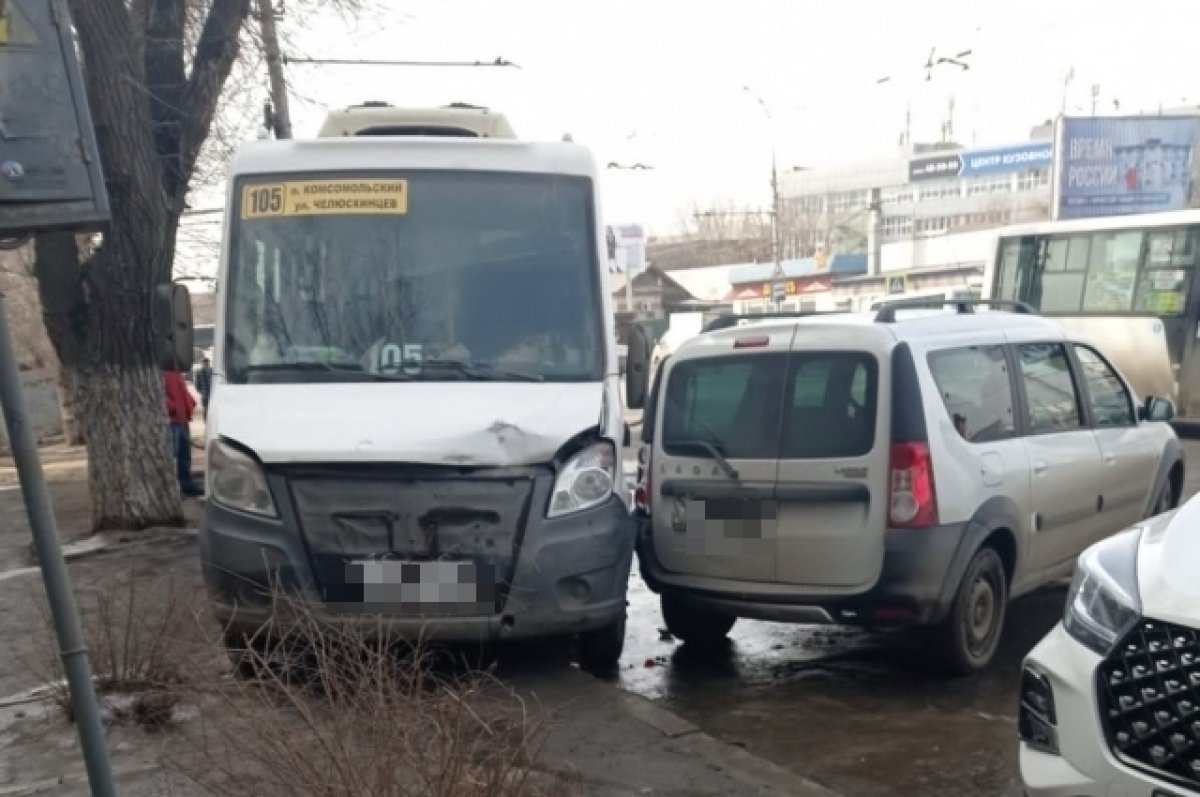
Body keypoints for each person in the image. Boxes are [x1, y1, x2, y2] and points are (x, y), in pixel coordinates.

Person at [164, 370, 202, 497]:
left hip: (182, 418)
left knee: (184, 456)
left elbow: (182, 391)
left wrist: (189, 404)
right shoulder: (160, 371)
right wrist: (172, 407)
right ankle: (172, 489)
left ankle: (186, 484)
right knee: (172, 456)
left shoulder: (174, 371)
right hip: (172, 420)